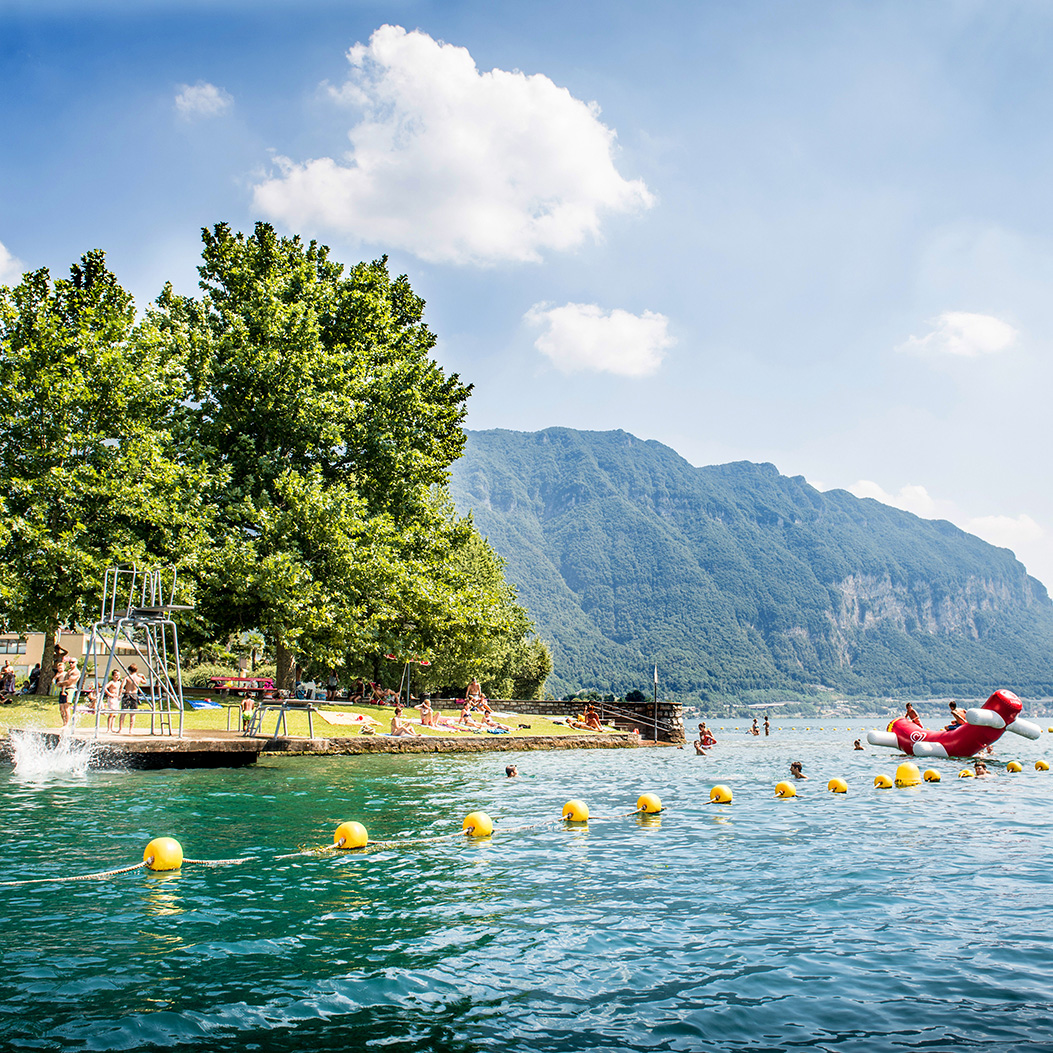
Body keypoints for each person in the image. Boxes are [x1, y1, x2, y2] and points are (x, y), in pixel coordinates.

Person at [119, 663, 146, 734]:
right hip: (134, 695)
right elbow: (144, 682)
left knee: (123, 712)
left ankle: (120, 729)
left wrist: (119, 694)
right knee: (132, 713)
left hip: (127, 694)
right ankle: (130, 730)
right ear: (136, 670)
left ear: (129, 670)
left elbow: (122, 686)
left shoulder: (127, 677)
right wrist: (143, 676)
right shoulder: (138, 678)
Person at [55, 658, 79, 727]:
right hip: (64, 689)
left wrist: (60, 683)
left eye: (72, 662)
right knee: (61, 708)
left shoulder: (76, 672)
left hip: (70, 689)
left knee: (66, 707)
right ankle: (64, 723)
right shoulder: (68, 671)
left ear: (76, 662)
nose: (71, 664)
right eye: (69, 662)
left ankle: (67, 724)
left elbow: (69, 682)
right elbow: (64, 680)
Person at [103, 669, 123, 733]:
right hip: (112, 698)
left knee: (115, 714)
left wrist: (120, 695)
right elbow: (105, 688)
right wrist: (110, 694)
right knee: (111, 714)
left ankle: (112, 727)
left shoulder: (119, 683)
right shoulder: (111, 682)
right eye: (116, 675)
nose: (117, 677)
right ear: (113, 676)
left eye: (118, 675)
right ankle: (108, 728)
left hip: (117, 699)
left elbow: (120, 690)